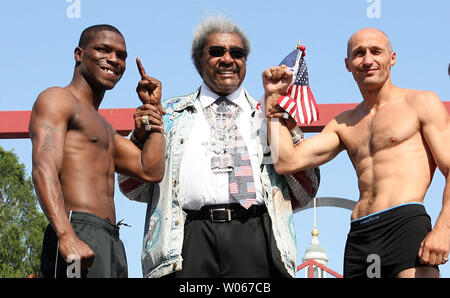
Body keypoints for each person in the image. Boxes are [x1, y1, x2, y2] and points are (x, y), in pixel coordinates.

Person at [118, 16, 319, 278]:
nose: (227, 59)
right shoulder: (169, 117)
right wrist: (142, 137)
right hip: (187, 241)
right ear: (199, 60)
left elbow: (306, 190)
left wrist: (285, 125)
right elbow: (131, 187)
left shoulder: (268, 115)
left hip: (256, 237)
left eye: (237, 53)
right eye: (216, 52)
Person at [263, 27, 450, 278]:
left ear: (392, 58)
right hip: (360, 235)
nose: (368, 60)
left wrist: (444, 230)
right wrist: (273, 97)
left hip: (404, 225)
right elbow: (287, 161)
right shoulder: (345, 123)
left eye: (376, 51)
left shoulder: (420, 103)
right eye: (359, 53)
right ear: (348, 64)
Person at [29, 24, 165, 278]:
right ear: (79, 54)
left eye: (121, 55)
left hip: (111, 239)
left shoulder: (106, 130)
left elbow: (151, 170)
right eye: (104, 50)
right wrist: (66, 234)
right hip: (76, 228)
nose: (114, 60)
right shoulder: (57, 99)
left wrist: (153, 110)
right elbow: (43, 167)